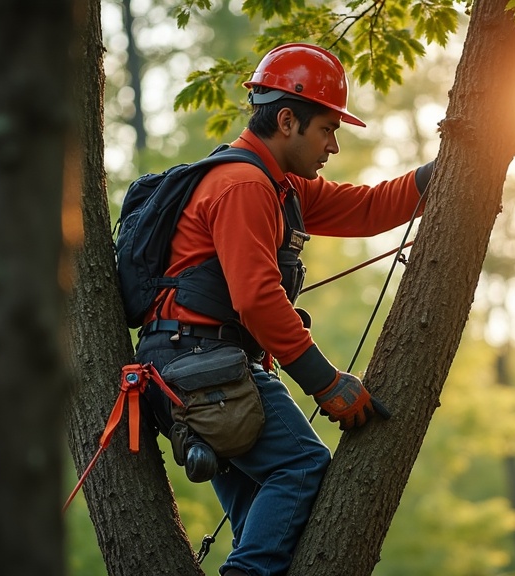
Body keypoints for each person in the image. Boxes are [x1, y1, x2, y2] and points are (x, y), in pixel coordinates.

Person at [133, 43, 435, 576]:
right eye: (326, 130)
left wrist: (450, 170)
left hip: (191, 366)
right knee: (299, 467)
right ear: (288, 120)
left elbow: (366, 207)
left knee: (264, 518)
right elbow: (256, 297)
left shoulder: (281, 187)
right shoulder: (243, 185)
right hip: (201, 363)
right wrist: (324, 381)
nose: (334, 146)